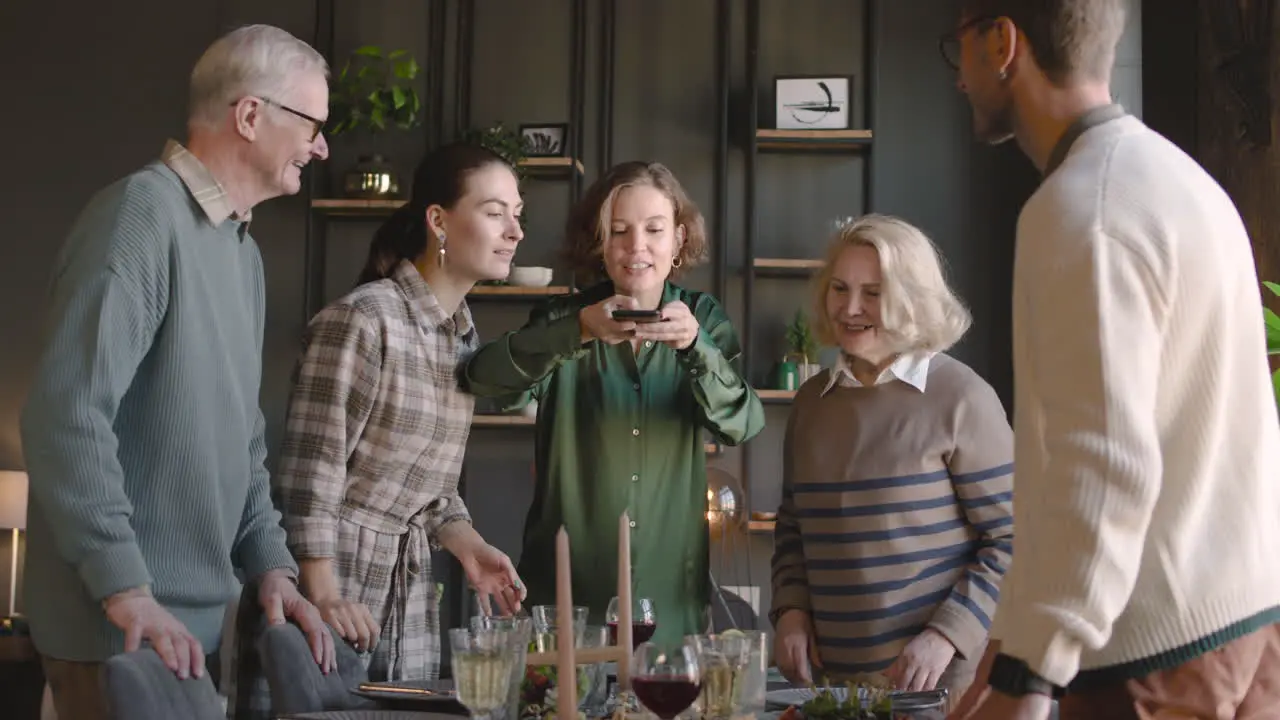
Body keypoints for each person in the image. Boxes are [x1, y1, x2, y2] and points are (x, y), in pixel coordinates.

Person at [946, 1, 1280, 718]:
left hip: (1150, 659)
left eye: (960, 51)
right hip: (1245, 633)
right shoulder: (1180, 180)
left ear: (1003, 43)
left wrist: (1027, 677)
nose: (959, 80)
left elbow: (1099, 468)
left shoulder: (1081, 207)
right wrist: (1009, 642)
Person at [18, 24, 335, 720]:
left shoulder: (240, 252)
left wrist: (272, 567)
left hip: (185, 627)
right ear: (250, 116)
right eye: (312, 122)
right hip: (119, 630)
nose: (322, 145)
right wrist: (125, 587)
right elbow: (64, 416)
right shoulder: (140, 217)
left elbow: (242, 441)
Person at [463, 161, 765, 644]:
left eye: (654, 229)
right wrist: (578, 332)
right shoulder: (564, 316)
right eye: (618, 231)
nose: (636, 246)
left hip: (672, 601)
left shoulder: (704, 319)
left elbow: (742, 424)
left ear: (679, 239)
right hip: (565, 603)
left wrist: (695, 348)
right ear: (600, 242)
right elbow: (485, 381)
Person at [270, 142, 527, 685]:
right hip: (333, 587)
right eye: (494, 211)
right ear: (439, 219)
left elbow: (430, 488)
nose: (515, 231)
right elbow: (307, 475)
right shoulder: (363, 319)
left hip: (407, 597)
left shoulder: (463, 338)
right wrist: (323, 594)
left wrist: (468, 544)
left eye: (518, 214)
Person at [769, 215, 1013, 704]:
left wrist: (945, 636)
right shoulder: (812, 401)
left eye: (874, 293)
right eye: (839, 288)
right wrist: (791, 611)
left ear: (912, 297)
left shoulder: (962, 397)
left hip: (935, 690)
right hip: (829, 690)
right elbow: (793, 526)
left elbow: (1012, 540)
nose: (850, 308)